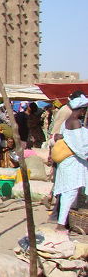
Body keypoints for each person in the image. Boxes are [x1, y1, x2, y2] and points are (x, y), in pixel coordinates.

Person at [52, 95, 88, 231]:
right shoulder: (75, 122)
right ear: (81, 110)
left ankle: (64, 221)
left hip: (67, 163)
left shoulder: (67, 122)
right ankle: (61, 224)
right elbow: (81, 147)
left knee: (69, 193)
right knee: (70, 193)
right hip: (72, 163)